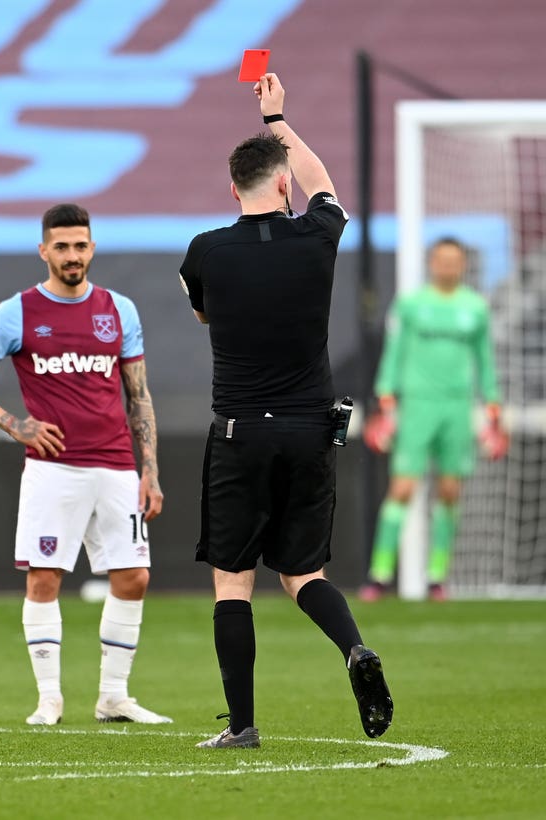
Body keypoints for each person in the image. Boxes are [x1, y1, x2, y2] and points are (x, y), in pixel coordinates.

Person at [179, 73, 393, 749]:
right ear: (284, 185)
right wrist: (277, 116)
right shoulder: (318, 236)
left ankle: (241, 725)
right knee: (304, 575)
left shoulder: (206, 251)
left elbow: (204, 313)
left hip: (241, 432)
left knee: (232, 584)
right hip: (311, 429)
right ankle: (356, 651)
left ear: (232, 189)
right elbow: (322, 177)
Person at [0, 203, 171, 726]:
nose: (73, 255)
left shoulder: (120, 310)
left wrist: (151, 470)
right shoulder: (18, 312)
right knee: (44, 578)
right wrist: (16, 424)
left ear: (92, 248)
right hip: (54, 470)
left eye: (81, 245)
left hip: (117, 465)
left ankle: (113, 696)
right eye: (62, 246)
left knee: (134, 576)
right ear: (44, 250)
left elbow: (138, 396)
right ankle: (49, 698)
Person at [361, 237, 507, 601]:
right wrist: (386, 395)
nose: (447, 266)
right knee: (403, 488)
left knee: (449, 490)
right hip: (417, 406)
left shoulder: (475, 307)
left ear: (462, 265)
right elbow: (394, 353)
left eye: (454, 261)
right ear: (431, 263)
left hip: (457, 406)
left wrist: (492, 404)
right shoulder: (411, 305)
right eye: (441, 260)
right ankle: (380, 574)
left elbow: (485, 360)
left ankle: (437, 577)